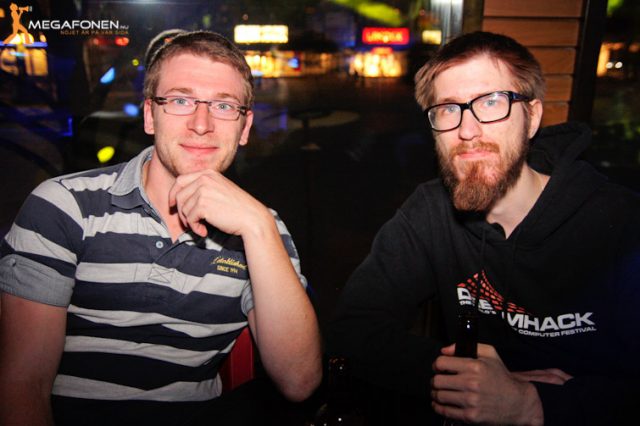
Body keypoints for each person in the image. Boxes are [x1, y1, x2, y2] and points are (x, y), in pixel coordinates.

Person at [0, 30, 322, 425]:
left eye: (224, 105)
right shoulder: (65, 206)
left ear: (244, 128)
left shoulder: (261, 227)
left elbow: (299, 381)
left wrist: (258, 227)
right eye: (181, 100)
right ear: (150, 115)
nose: (201, 124)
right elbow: (24, 386)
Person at [328, 31, 640, 425]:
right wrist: (467, 380)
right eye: (448, 109)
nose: (467, 130)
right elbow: (354, 329)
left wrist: (534, 404)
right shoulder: (430, 212)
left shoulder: (622, 224)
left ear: (532, 117)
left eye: (491, 102)